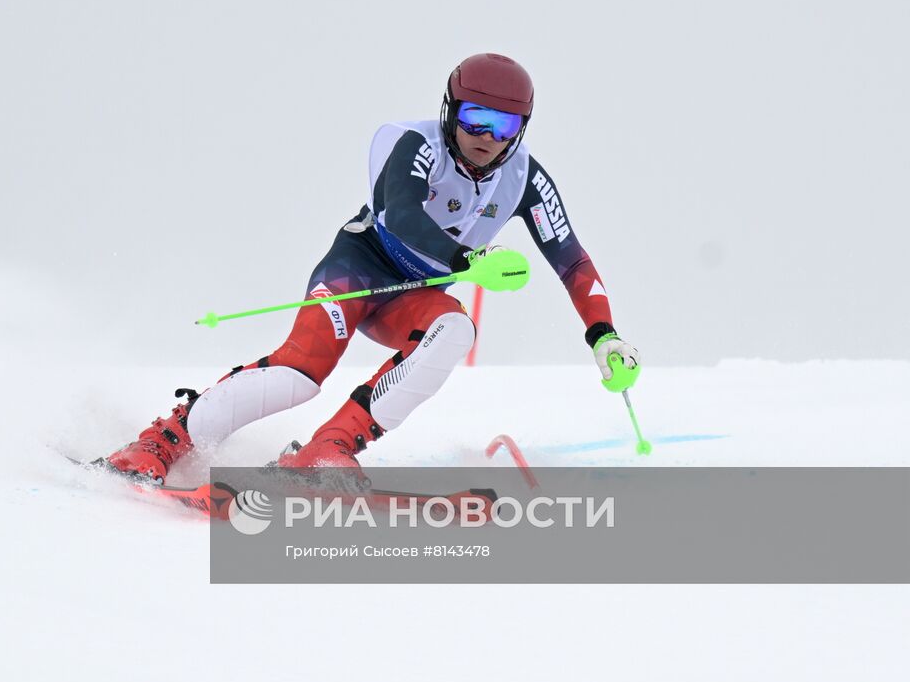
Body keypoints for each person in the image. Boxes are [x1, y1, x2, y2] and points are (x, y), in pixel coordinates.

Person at [102, 53, 641, 480]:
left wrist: (604, 335)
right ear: (451, 110)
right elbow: (402, 214)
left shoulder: (525, 178)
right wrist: (470, 260)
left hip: (414, 293)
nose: (488, 137)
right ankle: (163, 440)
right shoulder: (414, 144)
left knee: (456, 330)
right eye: (476, 118)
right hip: (359, 267)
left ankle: (326, 450)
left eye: (506, 125)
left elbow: (572, 260)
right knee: (298, 376)